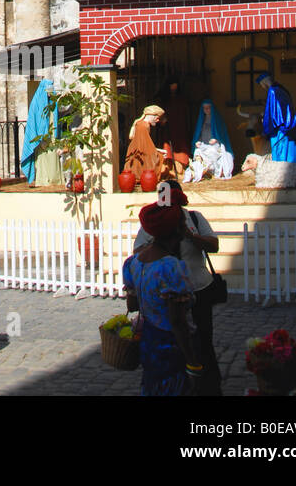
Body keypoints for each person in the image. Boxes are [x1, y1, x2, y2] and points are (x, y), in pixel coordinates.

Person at [134, 182, 222, 395]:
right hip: (167, 303)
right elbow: (138, 252)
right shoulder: (156, 225)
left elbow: (214, 245)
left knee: (204, 342)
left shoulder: (193, 218)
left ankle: (209, 385)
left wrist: (190, 236)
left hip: (199, 288)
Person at [122, 195, 202, 395]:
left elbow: (132, 305)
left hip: (149, 340)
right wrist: (193, 362)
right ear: (176, 230)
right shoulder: (170, 268)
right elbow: (177, 321)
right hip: (170, 345)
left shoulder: (134, 262)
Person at [21, 77, 61, 185]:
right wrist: (40, 137)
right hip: (41, 138)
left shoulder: (53, 103)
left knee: (53, 160)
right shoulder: (36, 104)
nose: (49, 94)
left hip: (52, 137)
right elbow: (34, 122)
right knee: (43, 161)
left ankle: (55, 181)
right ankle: (43, 181)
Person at [183, 101, 234, 182]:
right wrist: (198, 141)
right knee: (198, 151)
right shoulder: (202, 121)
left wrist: (216, 139)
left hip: (216, 146)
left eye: (208, 107)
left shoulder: (218, 120)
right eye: (204, 108)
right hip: (204, 145)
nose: (206, 110)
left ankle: (215, 172)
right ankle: (200, 173)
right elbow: (198, 134)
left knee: (212, 151)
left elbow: (222, 135)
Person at [258, 73, 296, 163]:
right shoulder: (282, 89)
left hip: (280, 130)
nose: (262, 87)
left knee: (281, 156)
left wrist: (266, 123)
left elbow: (272, 113)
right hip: (289, 128)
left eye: (261, 84)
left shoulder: (273, 91)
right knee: (290, 153)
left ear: (264, 82)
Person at [123, 105, 166, 181]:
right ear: (152, 116)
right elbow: (145, 146)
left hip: (139, 151)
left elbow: (146, 144)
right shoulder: (144, 126)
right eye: (157, 118)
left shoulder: (141, 124)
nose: (158, 120)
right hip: (139, 154)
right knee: (160, 157)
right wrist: (159, 152)